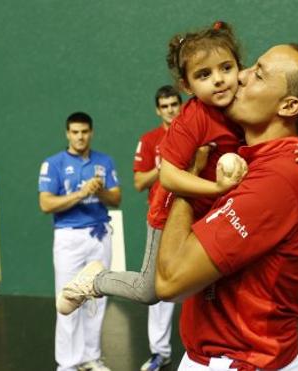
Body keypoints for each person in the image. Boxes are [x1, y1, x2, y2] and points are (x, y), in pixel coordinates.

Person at [56, 22, 298, 317]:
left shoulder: (239, 104)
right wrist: (217, 188)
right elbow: (169, 176)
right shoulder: (194, 118)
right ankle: (95, 279)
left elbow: (277, 140)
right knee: (149, 290)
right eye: (204, 75)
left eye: (227, 68)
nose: (220, 80)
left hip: (212, 206)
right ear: (187, 86)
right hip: (170, 207)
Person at [38, 111, 121, 371]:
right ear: (67, 134)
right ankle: (67, 363)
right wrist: (80, 193)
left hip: (99, 234)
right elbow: (46, 203)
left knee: (97, 297)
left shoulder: (104, 161)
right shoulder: (53, 164)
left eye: (84, 132)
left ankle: (90, 357)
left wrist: (100, 190)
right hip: (68, 237)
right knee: (68, 297)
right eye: (75, 132)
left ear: (91, 132)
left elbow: (116, 199)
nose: (80, 137)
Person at [133, 85, 182, 371]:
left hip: (196, 216)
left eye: (174, 104)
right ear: (158, 109)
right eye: (164, 106)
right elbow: (139, 182)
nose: (170, 110)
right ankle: (160, 352)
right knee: (159, 286)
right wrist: (162, 168)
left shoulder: (194, 134)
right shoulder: (149, 140)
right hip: (162, 218)